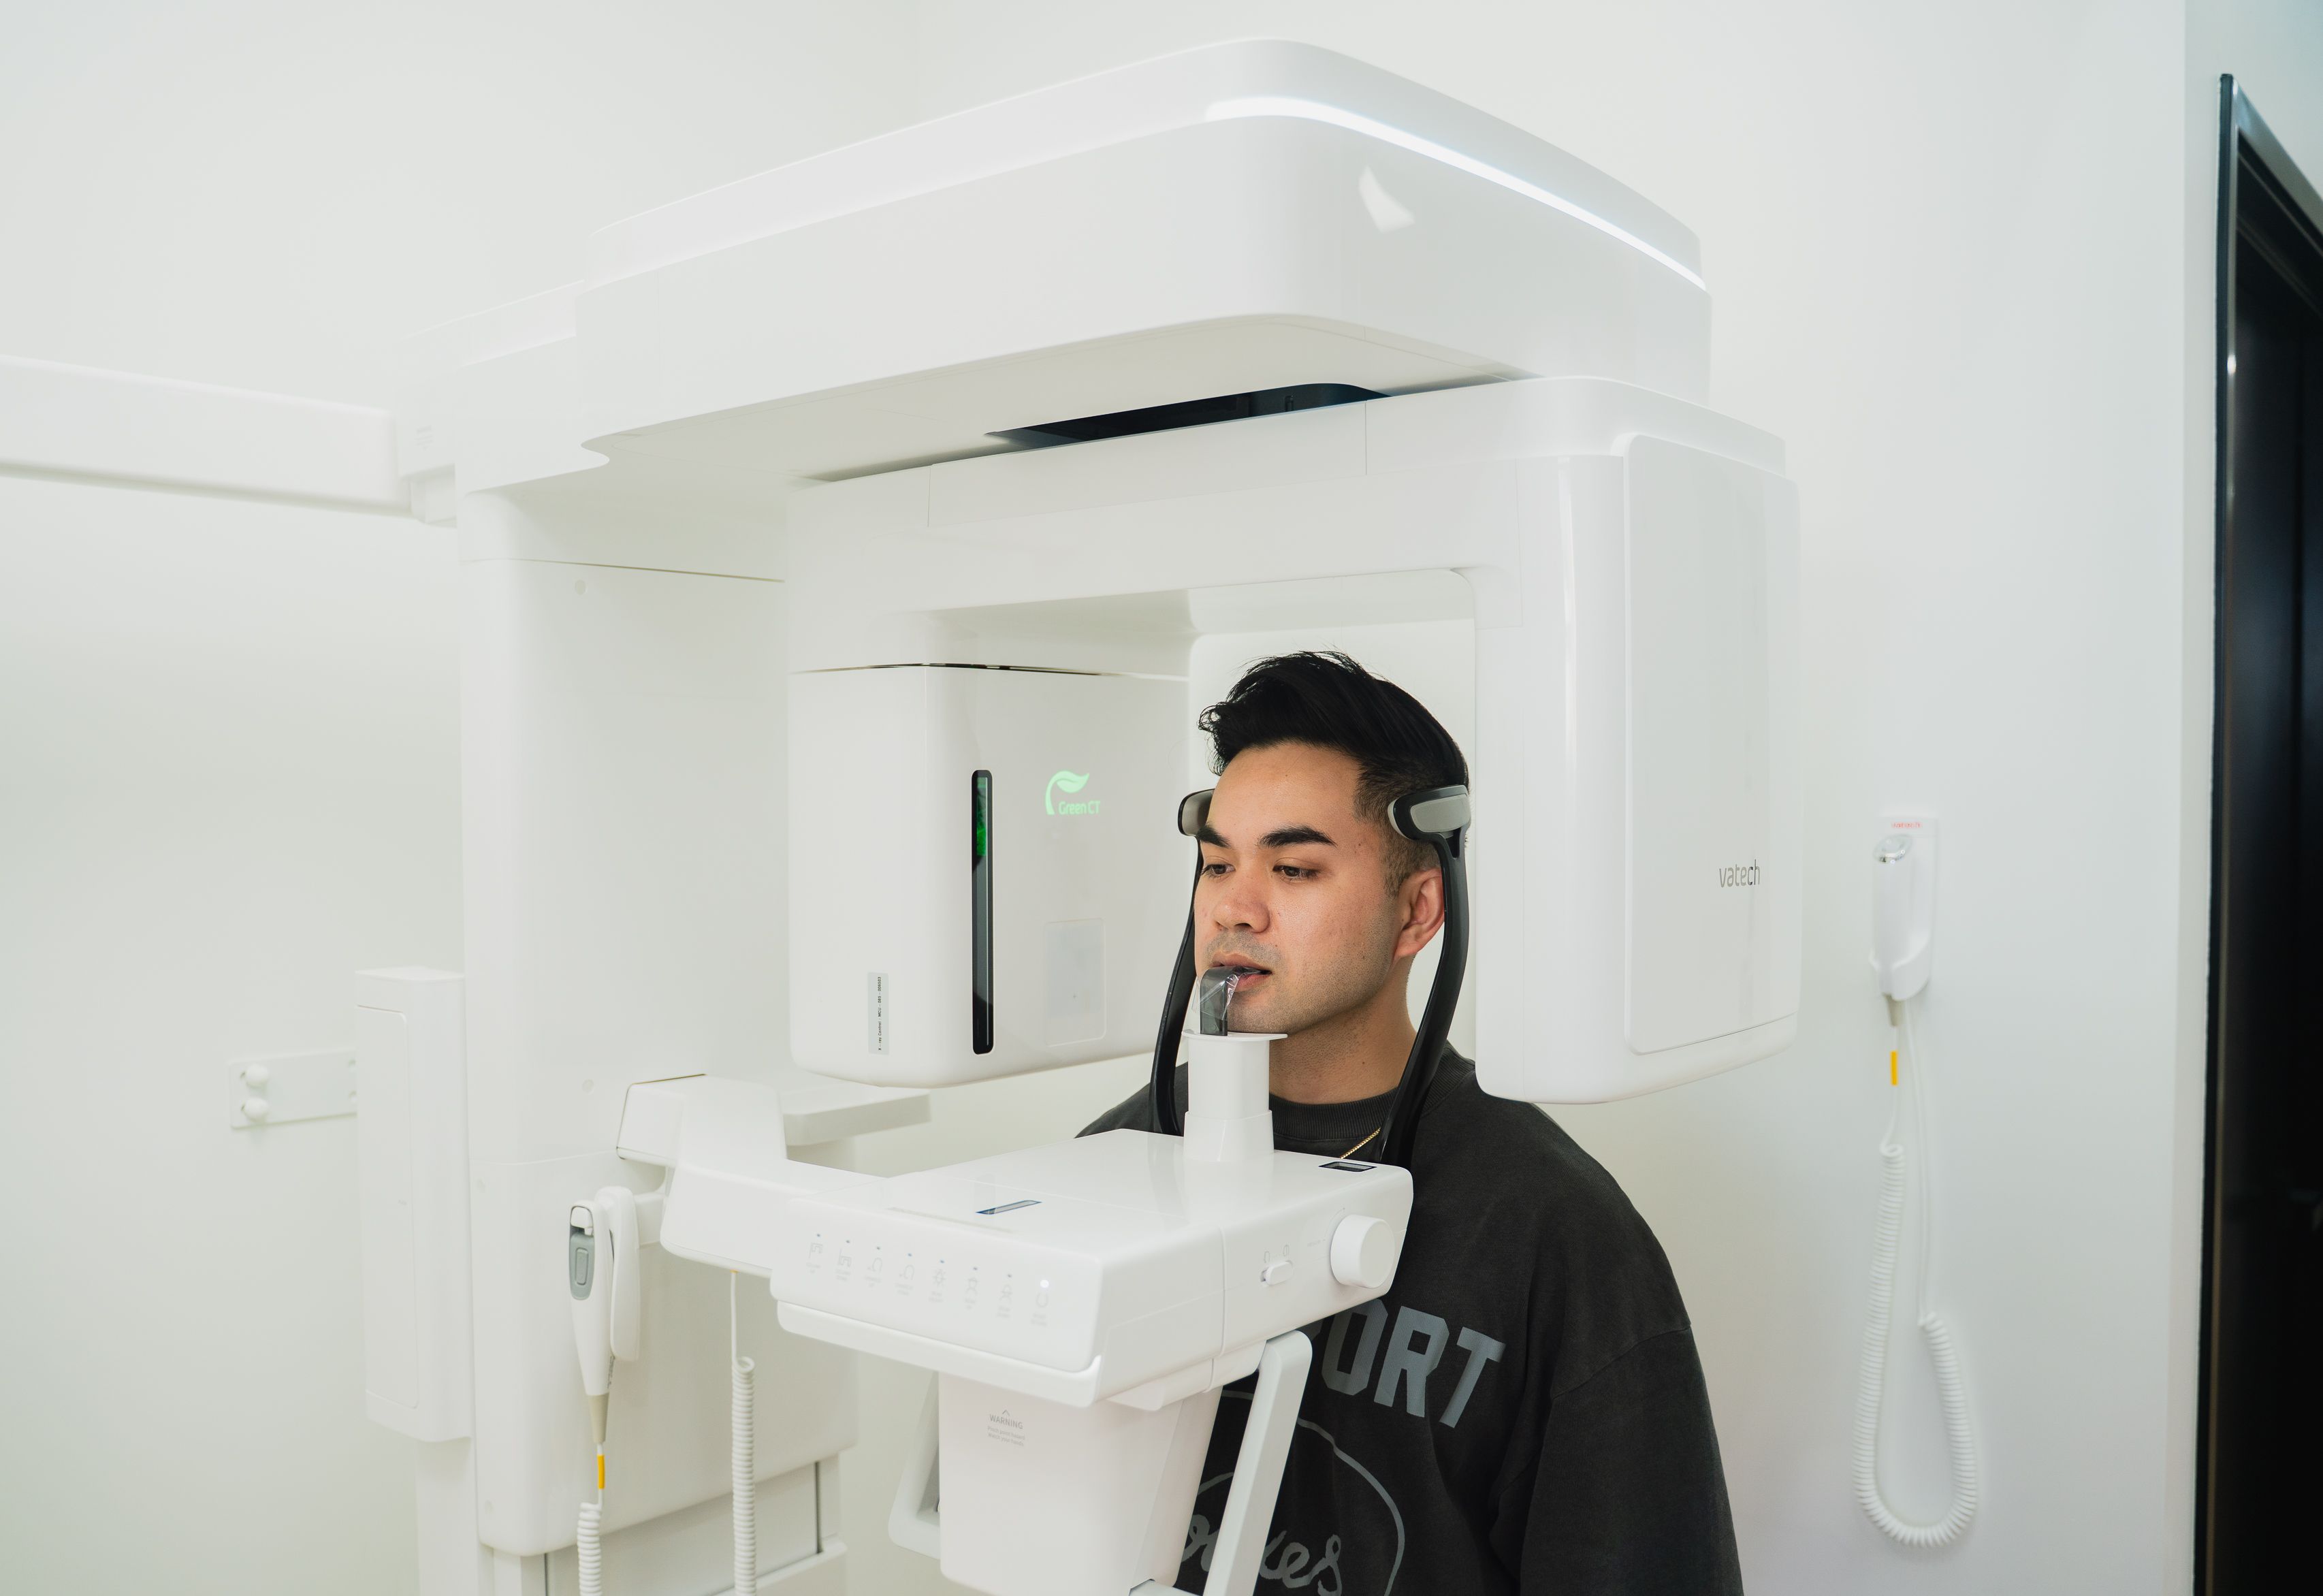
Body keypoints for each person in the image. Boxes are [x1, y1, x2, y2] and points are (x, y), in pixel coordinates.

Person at [1083, 651, 1744, 1595]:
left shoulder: (1554, 1236)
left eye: (1296, 867)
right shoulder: (1110, 1169)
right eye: (1218, 862)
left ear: (1418, 909)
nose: (1234, 905)